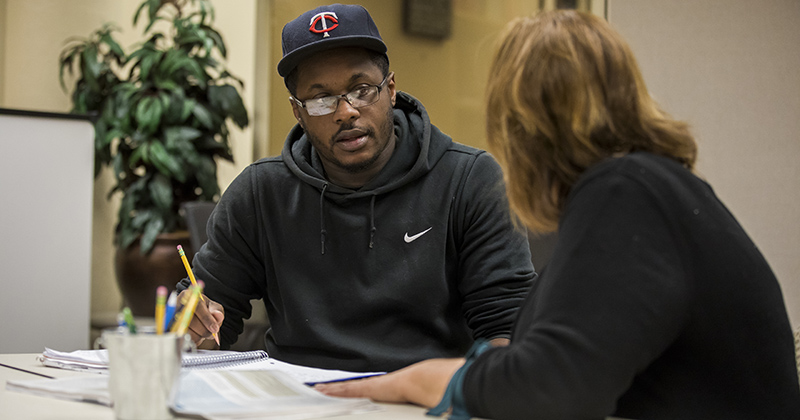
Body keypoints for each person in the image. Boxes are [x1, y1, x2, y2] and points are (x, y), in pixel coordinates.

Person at [316, 10, 800, 419]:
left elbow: (551, 387)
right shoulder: (651, 189)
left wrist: (422, 380)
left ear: (521, 126)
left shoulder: (627, 193)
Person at [176, 3, 536, 373]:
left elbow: (506, 329)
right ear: (297, 111)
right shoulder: (260, 191)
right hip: (296, 402)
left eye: (362, 90)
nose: (345, 111)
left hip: (422, 400)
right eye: (320, 100)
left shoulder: (471, 180)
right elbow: (211, 321)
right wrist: (197, 323)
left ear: (391, 90)